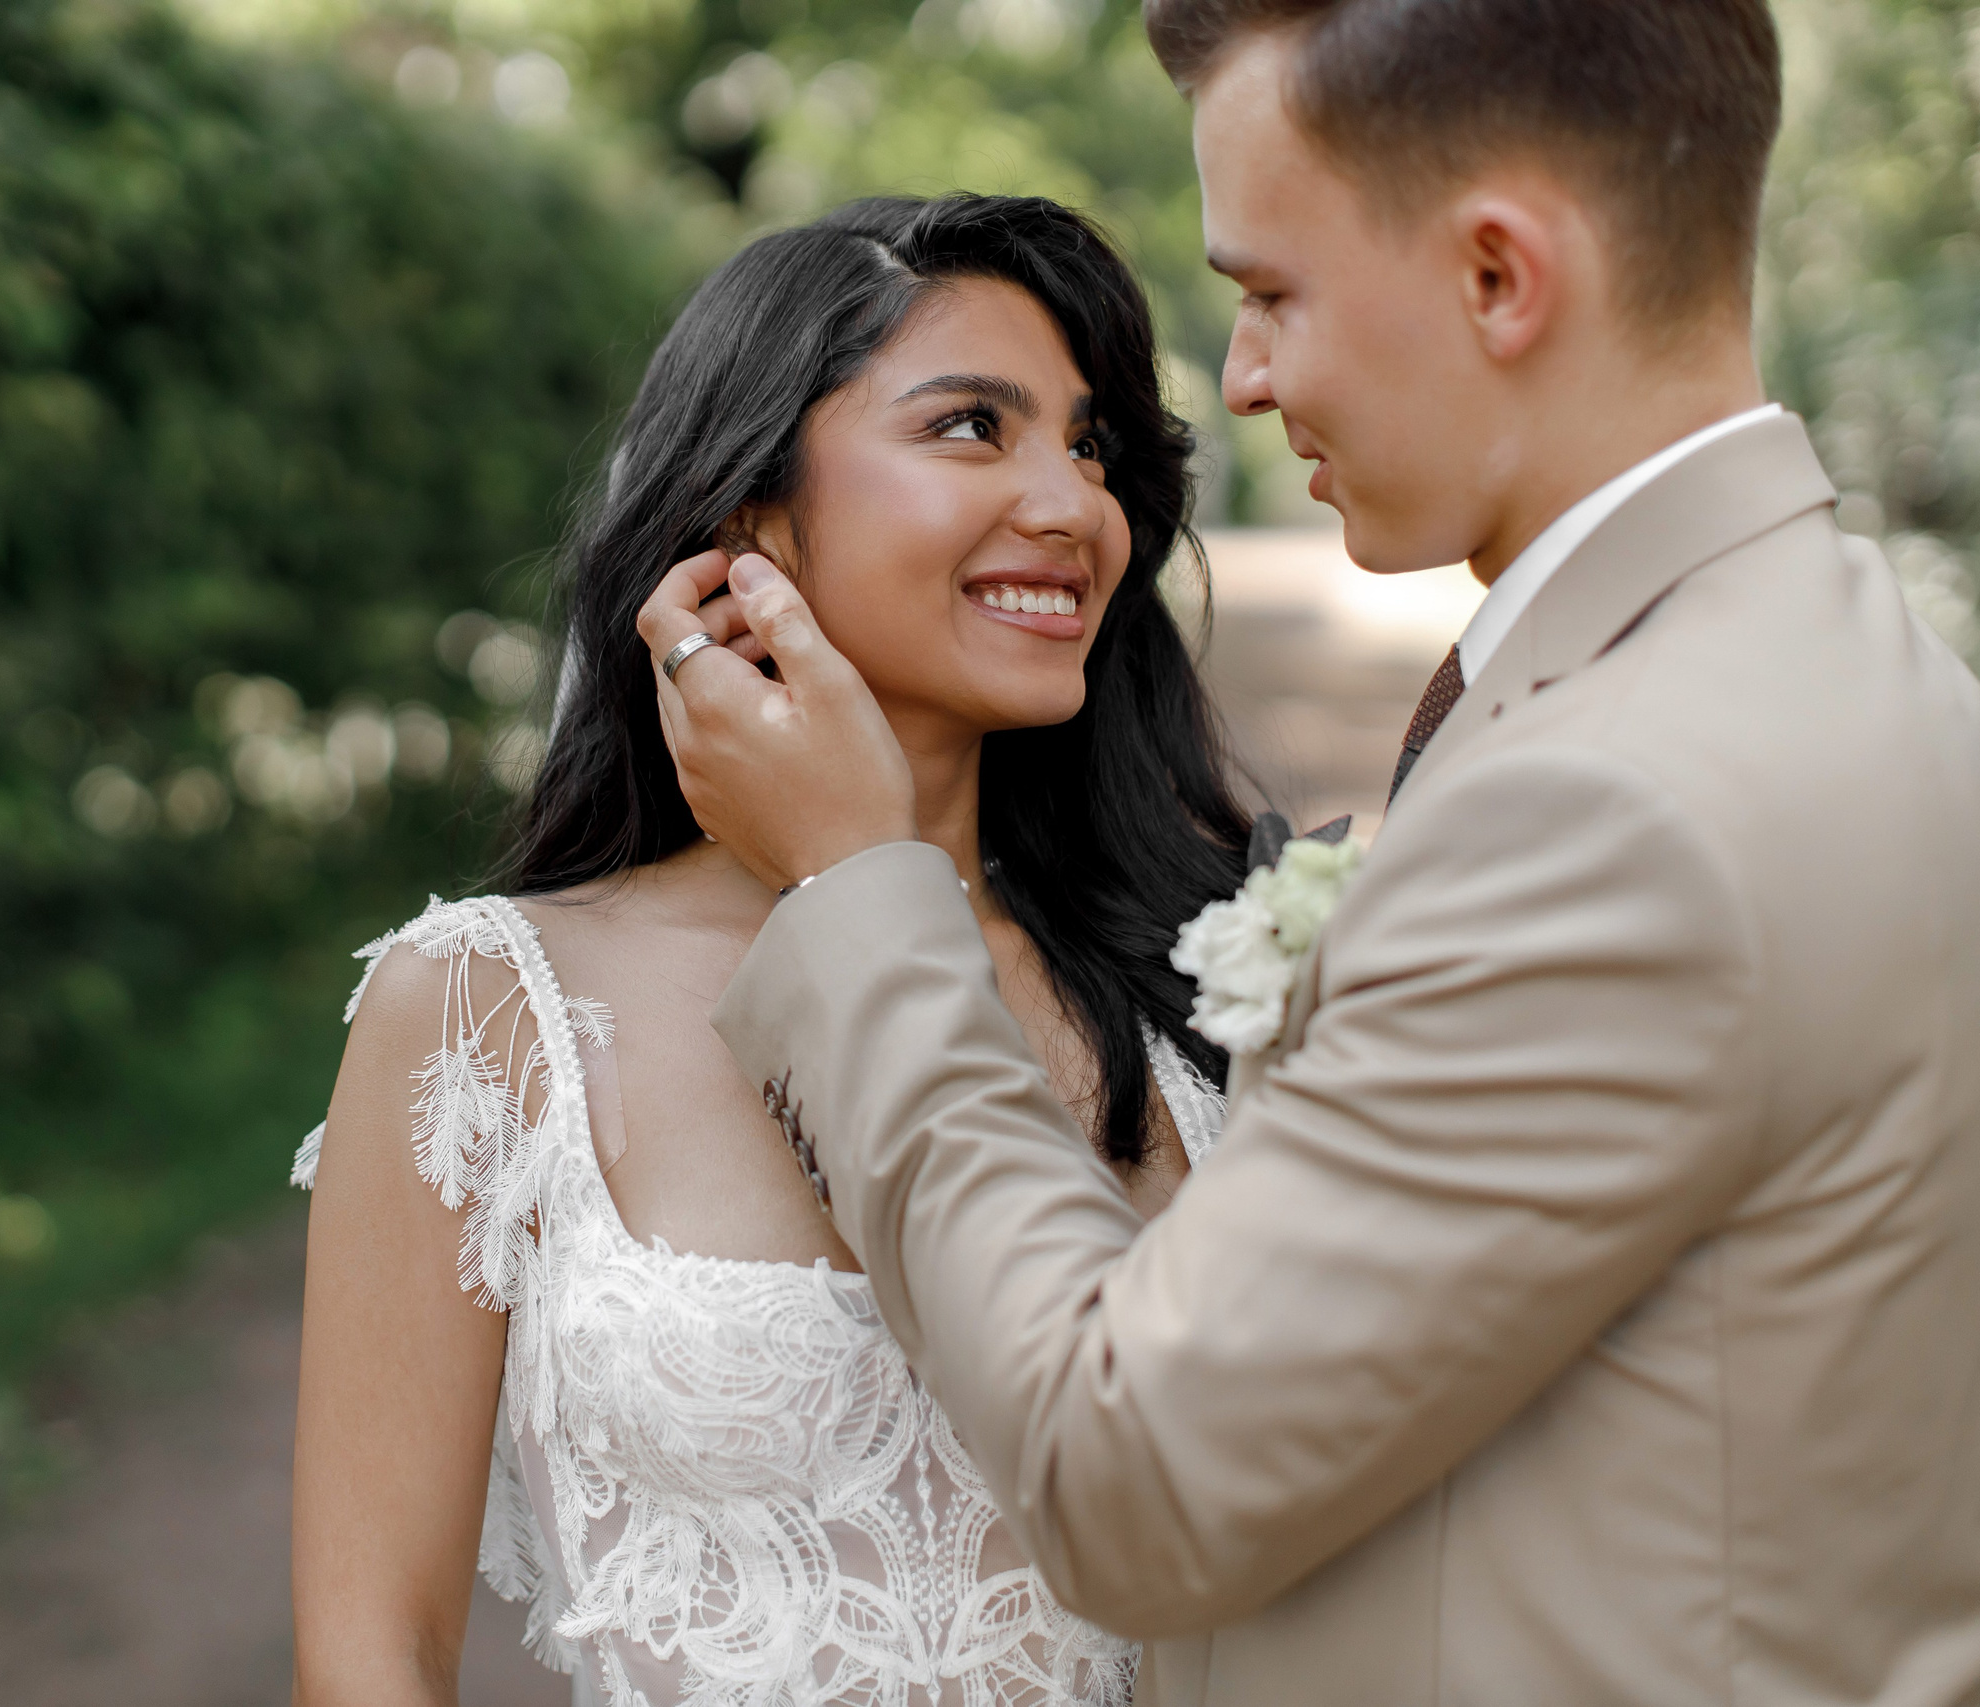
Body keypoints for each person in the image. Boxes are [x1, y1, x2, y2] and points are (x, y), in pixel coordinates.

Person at [637, 2, 1980, 1703]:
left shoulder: (1617, 804)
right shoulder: (1838, 659)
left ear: (1498, 276)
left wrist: (861, 890)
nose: (1241, 379)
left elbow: (1131, 1476)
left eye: (1271, 294)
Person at [289, 194, 1262, 1707]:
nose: (1074, 505)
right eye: (970, 427)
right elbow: (372, 1656)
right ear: (745, 514)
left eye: (1089, 447)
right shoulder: (485, 1010)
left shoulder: (1210, 970)